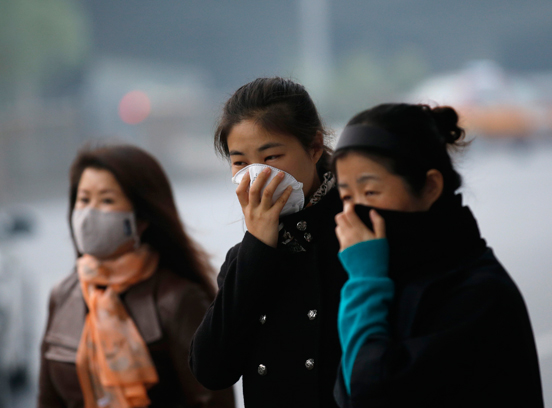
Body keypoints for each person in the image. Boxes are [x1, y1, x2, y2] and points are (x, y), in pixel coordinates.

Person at [331, 103, 544, 407]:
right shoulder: (394, 273)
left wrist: (363, 280)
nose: (354, 211)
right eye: (347, 197)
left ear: (430, 186)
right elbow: (348, 388)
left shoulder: (477, 292)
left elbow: (374, 392)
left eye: (371, 192)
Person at [189, 77, 348, 408]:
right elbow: (212, 370)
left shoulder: (357, 232)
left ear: (315, 146)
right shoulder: (244, 258)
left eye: (271, 156)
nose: (257, 175)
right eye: (240, 163)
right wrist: (257, 248)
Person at [38, 145, 235, 408]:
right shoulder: (63, 295)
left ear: (141, 219)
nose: (89, 214)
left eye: (107, 201)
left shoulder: (177, 300)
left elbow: (212, 400)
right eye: (84, 200)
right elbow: (48, 400)